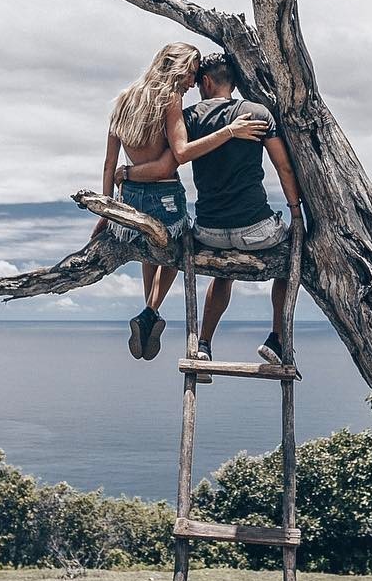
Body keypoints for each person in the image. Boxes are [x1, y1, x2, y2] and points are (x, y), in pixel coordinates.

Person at [123, 52, 302, 376]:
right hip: (256, 230)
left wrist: (126, 173)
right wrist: (294, 211)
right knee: (290, 258)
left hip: (209, 231)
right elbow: (284, 166)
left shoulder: (189, 117)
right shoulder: (256, 113)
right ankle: (277, 338)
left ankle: (203, 345)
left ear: (206, 81)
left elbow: (168, 162)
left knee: (222, 272)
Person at [97, 43, 268, 361]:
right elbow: (175, 159)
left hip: (130, 198)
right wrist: (230, 130)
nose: (192, 82)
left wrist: (108, 209)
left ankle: (150, 311)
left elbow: (109, 165)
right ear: (174, 68)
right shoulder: (170, 99)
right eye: (190, 73)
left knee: (150, 248)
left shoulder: (122, 100)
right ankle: (150, 310)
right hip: (165, 196)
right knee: (175, 248)